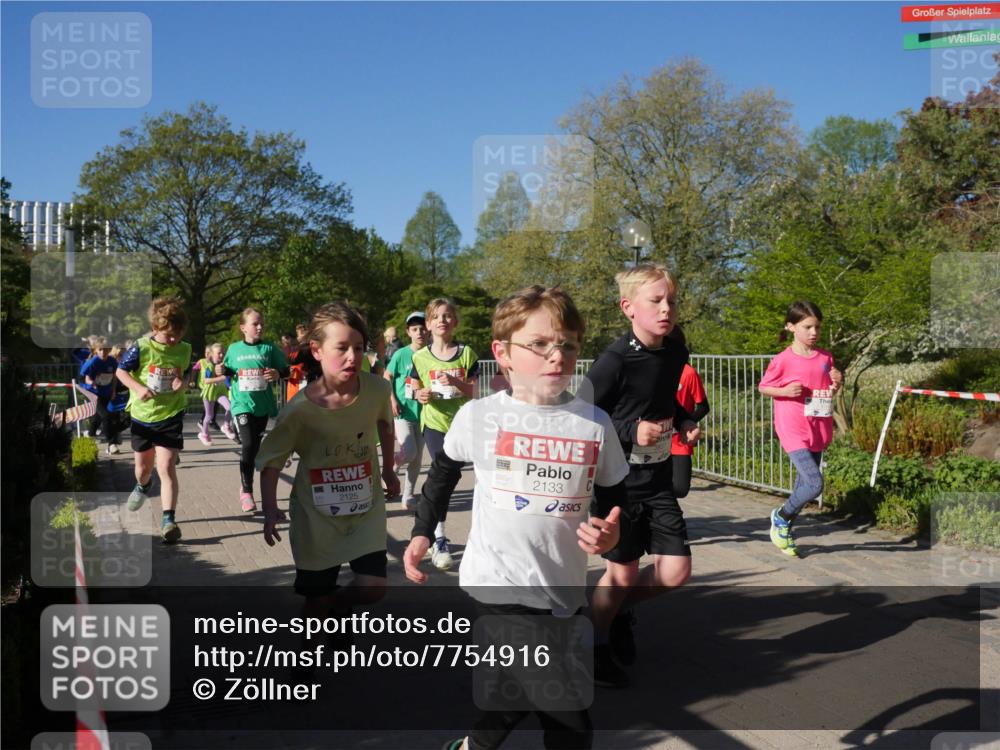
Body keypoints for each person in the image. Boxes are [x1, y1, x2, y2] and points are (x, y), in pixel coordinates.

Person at [404, 286, 626, 750]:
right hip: (497, 583)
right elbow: (442, 474)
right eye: (540, 344)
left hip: (562, 588)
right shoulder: (480, 416)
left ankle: (470, 747)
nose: (556, 355)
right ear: (502, 352)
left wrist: (609, 534)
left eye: (567, 344)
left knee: (513, 695)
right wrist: (423, 531)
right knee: (569, 719)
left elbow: (612, 497)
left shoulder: (594, 422)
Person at [582, 264, 701, 687]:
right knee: (623, 574)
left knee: (675, 572)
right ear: (628, 307)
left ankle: (615, 611)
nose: (666, 308)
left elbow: (668, 397)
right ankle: (594, 646)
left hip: (657, 478)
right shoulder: (615, 360)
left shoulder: (675, 350)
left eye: (671, 300)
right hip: (619, 483)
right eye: (656, 300)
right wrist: (632, 431)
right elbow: (581, 415)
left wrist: (684, 419)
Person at [257, 302, 399, 652]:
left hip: (365, 509)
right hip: (315, 518)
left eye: (359, 347)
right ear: (317, 351)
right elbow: (272, 459)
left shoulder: (377, 390)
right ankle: (305, 655)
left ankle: (340, 607)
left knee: (373, 587)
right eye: (342, 348)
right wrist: (270, 509)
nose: (353, 356)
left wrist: (390, 469)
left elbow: (384, 423)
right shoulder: (300, 410)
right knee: (316, 602)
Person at [758, 300, 842, 557]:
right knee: (815, 484)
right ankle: (781, 517)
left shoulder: (826, 357)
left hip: (818, 425)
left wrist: (836, 384)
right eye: (807, 327)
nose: (814, 332)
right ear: (791, 327)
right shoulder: (783, 359)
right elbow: (763, 387)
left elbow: (827, 386)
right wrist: (783, 391)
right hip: (793, 428)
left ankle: (784, 531)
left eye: (817, 327)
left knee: (802, 485)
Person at [410, 298, 480, 570]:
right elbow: (413, 390)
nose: (442, 320)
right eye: (436, 316)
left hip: (462, 424)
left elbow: (474, 390)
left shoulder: (466, 354)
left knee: (454, 476)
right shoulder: (419, 357)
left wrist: (456, 382)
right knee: (442, 478)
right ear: (428, 324)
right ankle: (438, 538)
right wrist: (421, 394)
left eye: (448, 316)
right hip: (435, 423)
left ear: (456, 322)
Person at [116, 297, 192, 543]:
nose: (173, 341)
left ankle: (168, 520)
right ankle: (142, 486)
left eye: (177, 335)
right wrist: (138, 389)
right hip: (142, 416)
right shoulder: (141, 347)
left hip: (170, 414)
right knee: (142, 470)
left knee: (166, 467)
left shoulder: (184, 348)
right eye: (169, 335)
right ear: (156, 328)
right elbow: (121, 372)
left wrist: (184, 383)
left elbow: (187, 373)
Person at [224, 307, 290, 513]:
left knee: (254, 449)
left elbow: (286, 370)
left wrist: (277, 374)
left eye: (261, 323)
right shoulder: (234, 349)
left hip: (262, 407)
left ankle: (246, 484)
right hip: (241, 404)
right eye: (255, 324)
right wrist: (221, 369)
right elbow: (227, 371)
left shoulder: (269, 349)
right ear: (243, 327)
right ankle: (246, 492)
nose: (260, 327)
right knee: (248, 444)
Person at [383, 311, 428, 510]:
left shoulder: (432, 353)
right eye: (415, 329)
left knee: (417, 459)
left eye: (422, 328)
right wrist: (392, 400)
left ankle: (407, 497)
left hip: (425, 413)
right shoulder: (401, 354)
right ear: (408, 332)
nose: (419, 332)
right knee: (409, 451)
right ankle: (392, 468)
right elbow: (387, 376)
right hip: (403, 411)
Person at [667, 326, 710, 499]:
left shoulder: (688, 373)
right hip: (653, 441)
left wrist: (686, 424)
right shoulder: (650, 370)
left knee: (680, 488)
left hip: (679, 441)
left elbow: (703, 407)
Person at [81, 336, 122, 454]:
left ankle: (90, 434)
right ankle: (111, 443)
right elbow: (86, 378)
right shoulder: (92, 362)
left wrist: (113, 391)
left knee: (98, 417)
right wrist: (92, 383)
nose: (103, 352)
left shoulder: (112, 361)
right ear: (96, 350)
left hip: (107, 392)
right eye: (100, 350)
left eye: (105, 350)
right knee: (106, 416)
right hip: (93, 394)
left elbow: (114, 377)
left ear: (109, 350)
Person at [196, 343, 237, 446]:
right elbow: (206, 380)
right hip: (209, 393)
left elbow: (227, 377)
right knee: (209, 416)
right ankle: (204, 434)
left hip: (220, 392)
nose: (221, 355)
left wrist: (229, 385)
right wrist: (221, 378)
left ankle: (226, 426)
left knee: (231, 407)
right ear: (212, 354)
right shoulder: (209, 366)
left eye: (223, 353)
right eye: (219, 353)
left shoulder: (224, 365)